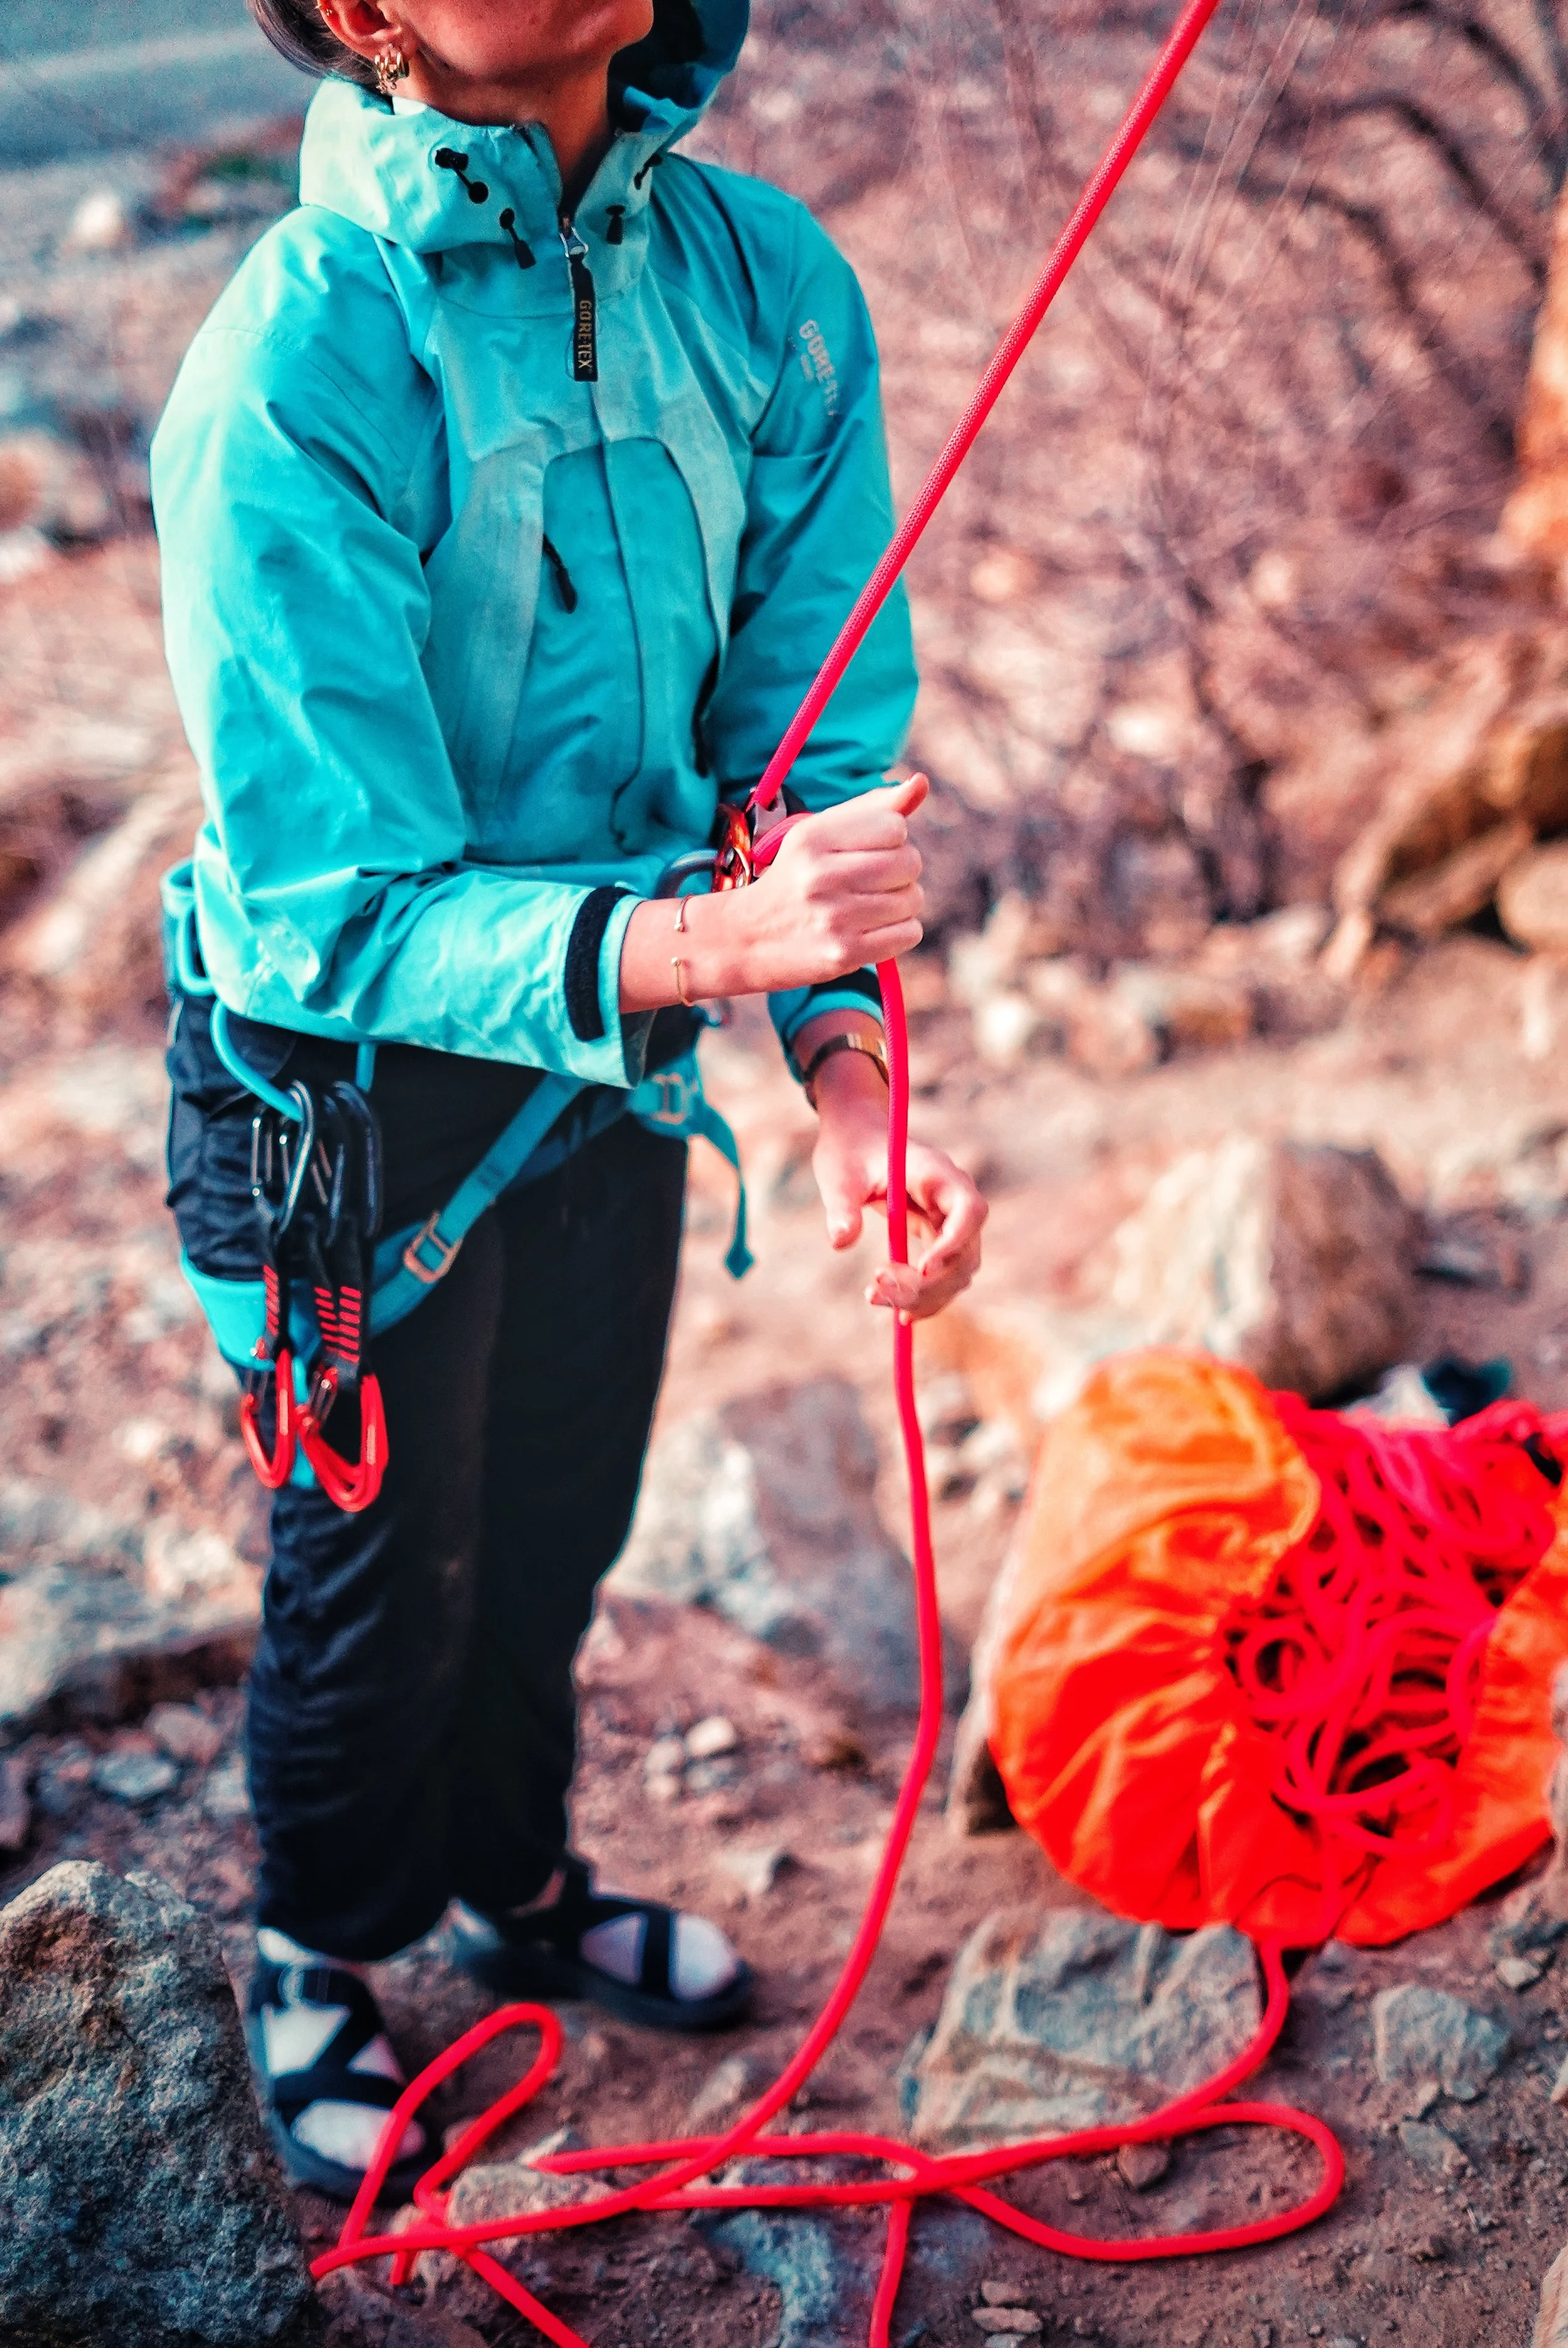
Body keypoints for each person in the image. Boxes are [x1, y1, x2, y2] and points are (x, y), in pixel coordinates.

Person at [152, 0, 987, 2204]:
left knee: (554, 1520)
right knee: (379, 1571)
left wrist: (851, 1087)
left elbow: (805, 747)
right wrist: (716, 955)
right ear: (362, 15)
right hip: (346, 1094)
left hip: (612, 1048)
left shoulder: (762, 282)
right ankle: (320, 1950)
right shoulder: (294, 364)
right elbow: (329, 911)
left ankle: (514, 1888)